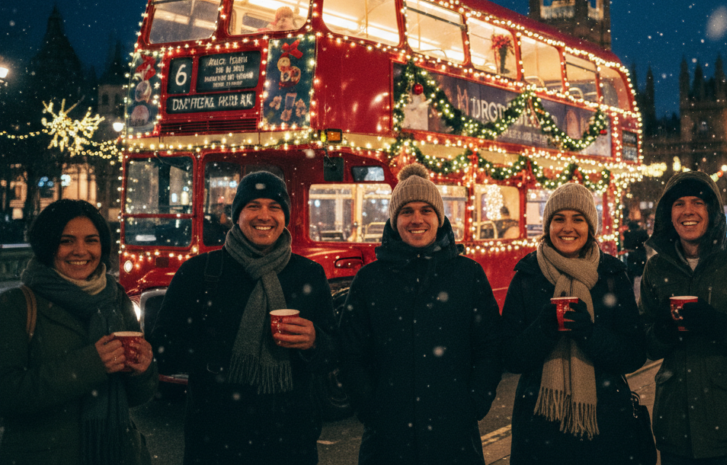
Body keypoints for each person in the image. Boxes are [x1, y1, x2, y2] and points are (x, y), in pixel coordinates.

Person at [151, 171, 338, 465]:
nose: (264, 215)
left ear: (285, 216)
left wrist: (314, 341)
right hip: (215, 440)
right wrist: (218, 348)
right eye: (253, 205)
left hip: (290, 441)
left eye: (274, 207)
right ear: (237, 214)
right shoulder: (199, 272)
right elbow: (163, 351)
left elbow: (333, 355)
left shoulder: (308, 274)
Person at [338, 163, 503, 464]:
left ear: (439, 218)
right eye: (406, 211)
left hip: (455, 434)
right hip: (386, 437)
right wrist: (370, 409)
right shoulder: (370, 279)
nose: (417, 219)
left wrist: (475, 403)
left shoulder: (468, 274)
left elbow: (489, 345)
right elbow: (351, 353)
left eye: (426, 210)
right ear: (394, 220)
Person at [0, 199, 156, 464]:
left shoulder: (115, 297)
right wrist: (91, 364)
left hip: (117, 452)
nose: (81, 251)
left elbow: (137, 397)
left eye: (91, 240)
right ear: (48, 245)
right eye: (67, 240)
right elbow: (8, 395)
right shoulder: (18, 304)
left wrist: (143, 369)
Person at [501, 183, 646, 463]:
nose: (568, 228)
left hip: (605, 426)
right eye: (559, 219)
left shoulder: (613, 275)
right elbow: (510, 358)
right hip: (539, 427)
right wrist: (544, 329)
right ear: (547, 226)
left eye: (578, 219)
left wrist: (590, 334)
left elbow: (634, 355)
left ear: (590, 227)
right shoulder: (527, 276)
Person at [639, 170, 727, 464]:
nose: (688, 211)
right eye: (679, 204)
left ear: (712, 210)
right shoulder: (657, 269)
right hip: (677, 432)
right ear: (668, 213)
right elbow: (643, 344)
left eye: (697, 202)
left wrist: (719, 324)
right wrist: (663, 331)